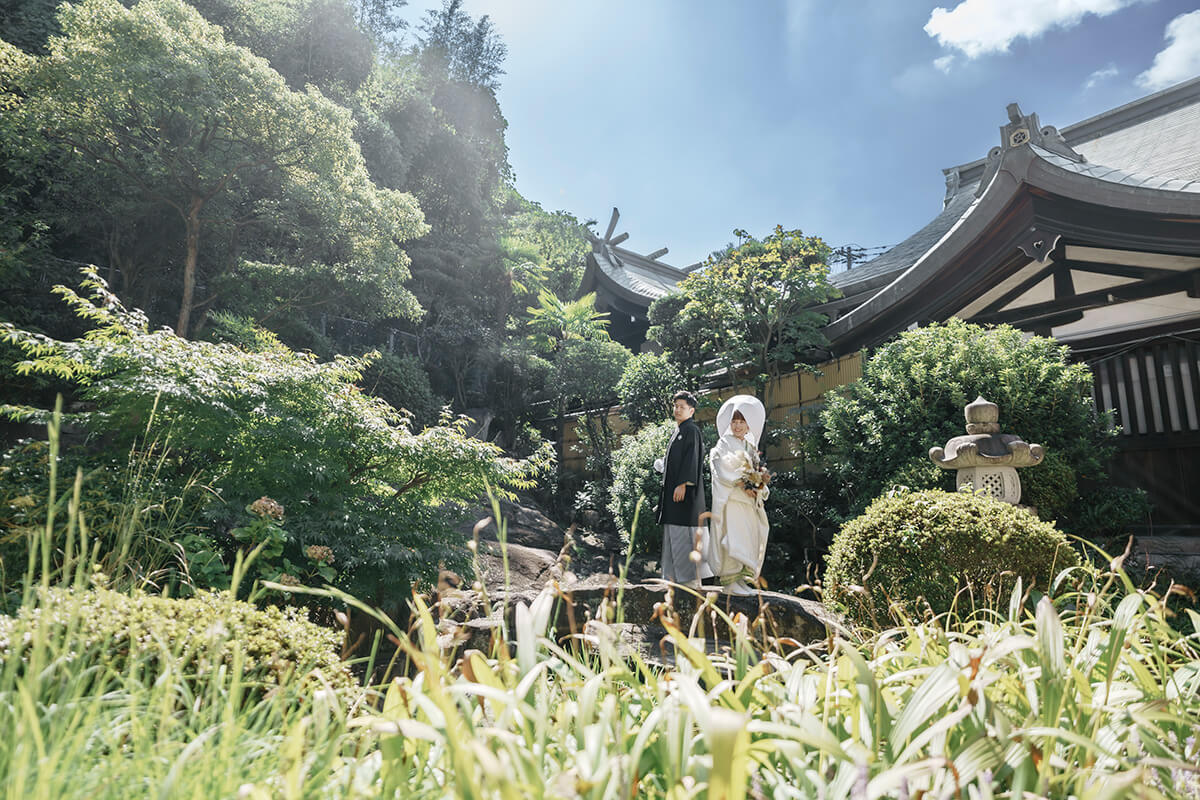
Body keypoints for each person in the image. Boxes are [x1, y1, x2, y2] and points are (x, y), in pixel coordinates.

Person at [707, 395, 770, 595]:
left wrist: (759, 484)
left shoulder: (750, 446)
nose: (737, 426)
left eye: (742, 422)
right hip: (732, 499)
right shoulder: (724, 443)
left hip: (748, 500)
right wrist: (742, 481)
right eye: (734, 421)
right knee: (733, 536)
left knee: (747, 537)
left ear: (749, 425)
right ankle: (729, 580)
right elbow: (719, 463)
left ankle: (741, 579)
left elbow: (756, 469)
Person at [655, 390, 710, 588]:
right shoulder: (678, 431)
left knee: (686, 534)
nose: (678, 410)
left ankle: (689, 581)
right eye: (676, 406)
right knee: (674, 534)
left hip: (685, 495)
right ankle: (673, 579)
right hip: (674, 496)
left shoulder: (691, 430)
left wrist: (682, 484)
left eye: (682, 407)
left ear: (692, 410)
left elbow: (692, 459)